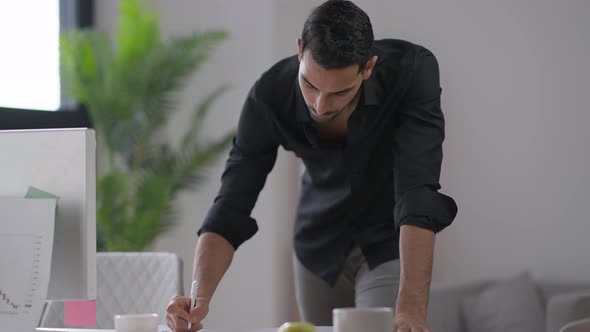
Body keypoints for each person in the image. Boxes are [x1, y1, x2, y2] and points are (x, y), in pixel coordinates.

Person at [166, 1, 457, 331]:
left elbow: (418, 192)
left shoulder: (411, 72)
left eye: (339, 92)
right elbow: (232, 203)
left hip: (388, 241)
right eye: (310, 85)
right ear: (300, 50)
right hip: (316, 247)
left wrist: (412, 308)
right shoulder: (269, 95)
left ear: (368, 67)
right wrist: (197, 299)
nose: (320, 104)